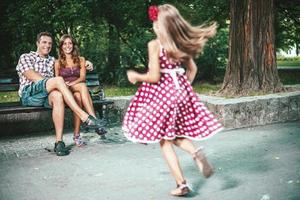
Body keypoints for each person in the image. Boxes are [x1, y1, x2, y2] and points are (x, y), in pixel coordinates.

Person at [122, 4, 223, 196]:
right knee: (173, 134)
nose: (153, 25)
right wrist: (183, 90)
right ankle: (195, 153)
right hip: (180, 94)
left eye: (154, 22)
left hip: (163, 97)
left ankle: (182, 184)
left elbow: (154, 77)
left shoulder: (155, 44)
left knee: (164, 141)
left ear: (160, 25)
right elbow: (192, 70)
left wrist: (136, 76)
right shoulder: (179, 45)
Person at [16, 32, 104, 156]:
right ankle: (84, 116)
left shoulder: (52, 60)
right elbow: (33, 77)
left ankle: (59, 142)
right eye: (44, 42)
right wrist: (54, 82)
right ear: (37, 43)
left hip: (48, 94)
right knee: (58, 81)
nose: (47, 45)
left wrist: (86, 62)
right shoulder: (26, 57)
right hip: (30, 94)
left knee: (58, 96)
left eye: (50, 43)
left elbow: (68, 60)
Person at [54, 34, 98, 147]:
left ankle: (77, 135)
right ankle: (94, 119)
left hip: (77, 86)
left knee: (79, 93)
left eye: (70, 43)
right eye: (65, 44)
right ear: (61, 46)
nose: (67, 46)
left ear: (73, 45)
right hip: (66, 90)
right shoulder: (57, 62)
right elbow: (57, 79)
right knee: (83, 87)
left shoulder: (81, 59)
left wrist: (71, 83)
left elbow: (82, 78)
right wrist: (65, 85)